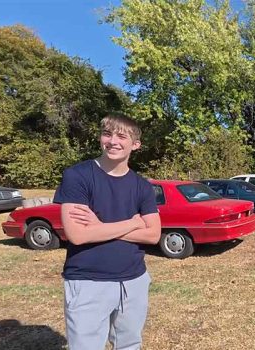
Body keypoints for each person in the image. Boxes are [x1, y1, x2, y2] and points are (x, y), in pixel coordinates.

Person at [53, 113, 161, 350]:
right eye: (107, 134)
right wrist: (133, 223)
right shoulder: (77, 176)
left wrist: (99, 227)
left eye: (122, 136)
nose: (113, 141)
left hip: (134, 280)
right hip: (89, 281)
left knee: (130, 344)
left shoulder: (142, 186)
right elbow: (78, 235)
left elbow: (153, 235)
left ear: (136, 145)